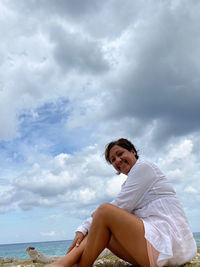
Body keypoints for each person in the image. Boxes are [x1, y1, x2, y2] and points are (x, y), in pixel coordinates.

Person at [47, 138, 197, 267]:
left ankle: (68, 263)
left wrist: (83, 228)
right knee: (103, 231)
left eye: (120, 154)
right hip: (158, 251)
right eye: (113, 160)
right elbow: (114, 213)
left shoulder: (144, 167)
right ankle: (68, 262)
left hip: (170, 244)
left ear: (133, 151)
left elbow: (115, 207)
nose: (117, 160)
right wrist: (86, 228)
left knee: (104, 210)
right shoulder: (129, 183)